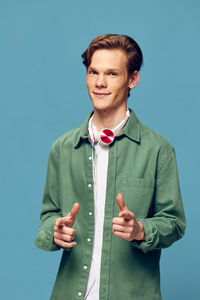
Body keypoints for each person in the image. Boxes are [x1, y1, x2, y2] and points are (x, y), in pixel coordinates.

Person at [35, 34, 186, 300]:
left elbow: (173, 223)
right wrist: (55, 231)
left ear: (132, 80)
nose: (100, 83)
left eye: (112, 74)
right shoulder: (62, 148)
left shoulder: (158, 150)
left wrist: (141, 230)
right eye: (93, 72)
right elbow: (48, 216)